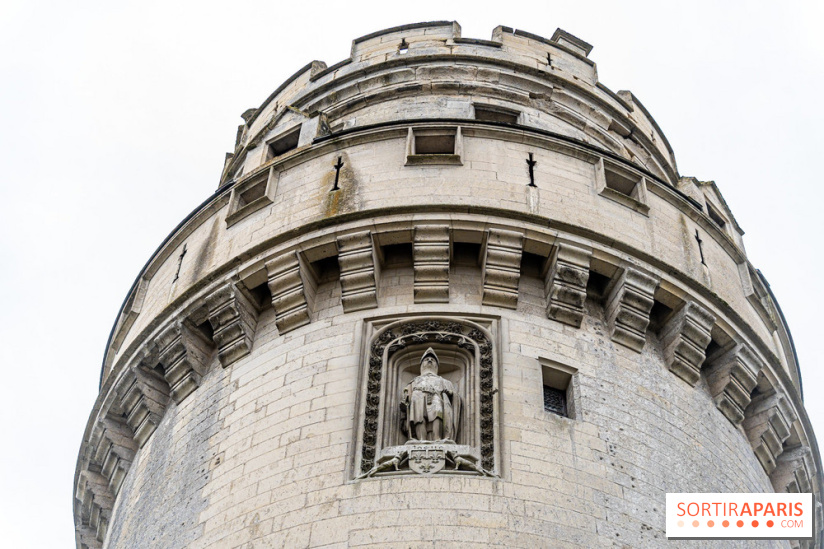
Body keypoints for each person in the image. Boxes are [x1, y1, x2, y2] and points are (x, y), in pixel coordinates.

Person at [401, 348, 460, 442]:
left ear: (436, 365)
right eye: (426, 359)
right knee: (418, 417)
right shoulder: (415, 380)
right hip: (418, 396)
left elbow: (454, 396)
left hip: (436, 396)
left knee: (437, 413)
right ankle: (421, 439)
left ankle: (437, 438)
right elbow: (407, 394)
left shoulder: (443, 381)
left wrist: (450, 393)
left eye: (432, 360)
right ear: (422, 365)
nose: (429, 360)